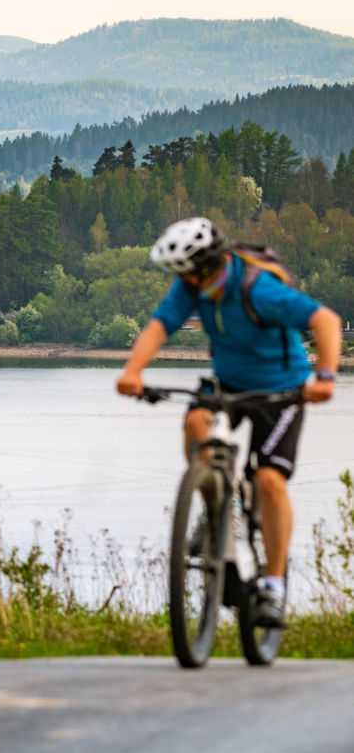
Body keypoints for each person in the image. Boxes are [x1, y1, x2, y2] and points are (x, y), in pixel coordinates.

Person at [117, 217, 342, 628]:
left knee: (271, 482)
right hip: (230, 383)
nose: (181, 281)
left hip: (282, 391)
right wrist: (132, 372)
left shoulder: (257, 288)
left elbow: (325, 320)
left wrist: (325, 376)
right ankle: (215, 502)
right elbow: (160, 325)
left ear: (204, 268)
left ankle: (273, 587)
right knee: (196, 423)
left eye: (185, 272)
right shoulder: (193, 288)